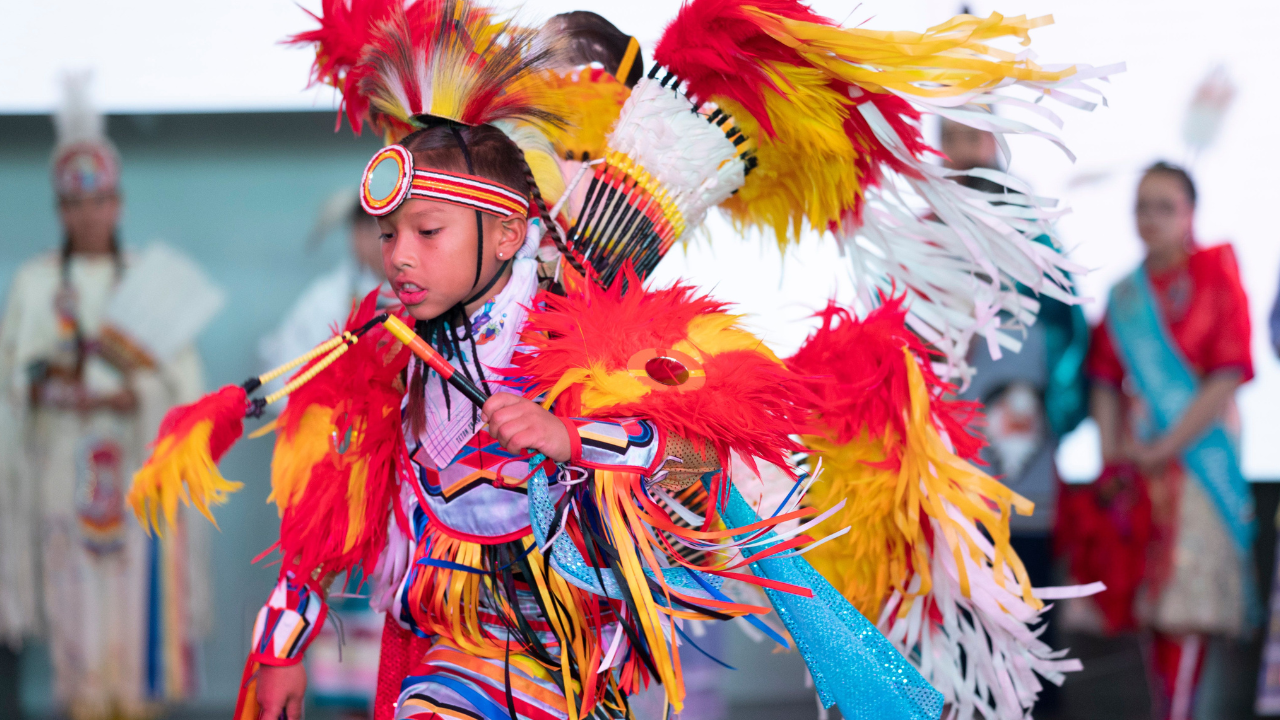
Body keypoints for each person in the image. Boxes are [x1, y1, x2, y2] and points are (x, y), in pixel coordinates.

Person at [124, 2, 1115, 719]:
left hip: (580, 665)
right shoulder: (396, 347)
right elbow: (328, 498)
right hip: (455, 656)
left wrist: (575, 434)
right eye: (392, 235)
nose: (397, 258)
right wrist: (280, 644)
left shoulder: (602, 331)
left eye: (424, 232)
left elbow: (696, 479)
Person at [0, 74, 209, 719]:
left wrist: (138, 397)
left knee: (138, 643)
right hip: (65, 488)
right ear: (60, 210)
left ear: (118, 203)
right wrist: (54, 388)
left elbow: (189, 394)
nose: (88, 215)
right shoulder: (36, 287)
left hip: (139, 491)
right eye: (74, 204)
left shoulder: (150, 283)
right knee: (79, 648)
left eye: (100, 201)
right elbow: (12, 390)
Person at [1082, 161, 1254, 720]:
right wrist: (1112, 451)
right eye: (1141, 206)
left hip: (1200, 462)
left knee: (1189, 607)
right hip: (1141, 470)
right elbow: (1103, 376)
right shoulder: (1125, 294)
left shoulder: (1216, 273)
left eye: (1165, 206)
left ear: (1189, 213)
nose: (1150, 218)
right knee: (1148, 608)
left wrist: (1167, 445)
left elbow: (1228, 370)